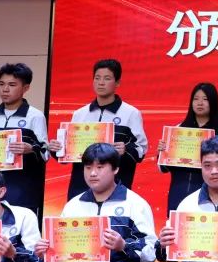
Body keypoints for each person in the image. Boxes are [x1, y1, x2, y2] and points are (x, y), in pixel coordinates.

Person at [48, 59, 148, 199]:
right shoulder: (80, 114)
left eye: (107, 78)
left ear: (117, 83)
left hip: (116, 188)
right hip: (80, 187)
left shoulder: (131, 113)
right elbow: (66, 155)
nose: (101, 83)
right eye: (97, 78)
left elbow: (141, 150)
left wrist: (125, 150)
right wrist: (57, 148)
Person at [0, 63, 49, 217]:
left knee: (18, 228)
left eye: (12, 85)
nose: (5, 89)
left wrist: (30, 149)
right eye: (1, 84)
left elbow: (46, 154)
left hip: (22, 189)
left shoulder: (35, 116)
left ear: (26, 88)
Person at [158, 83, 218, 213]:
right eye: (196, 99)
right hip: (179, 192)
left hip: (211, 197)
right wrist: (163, 152)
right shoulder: (178, 130)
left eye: (205, 99)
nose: (200, 103)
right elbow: (163, 168)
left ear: (213, 102)